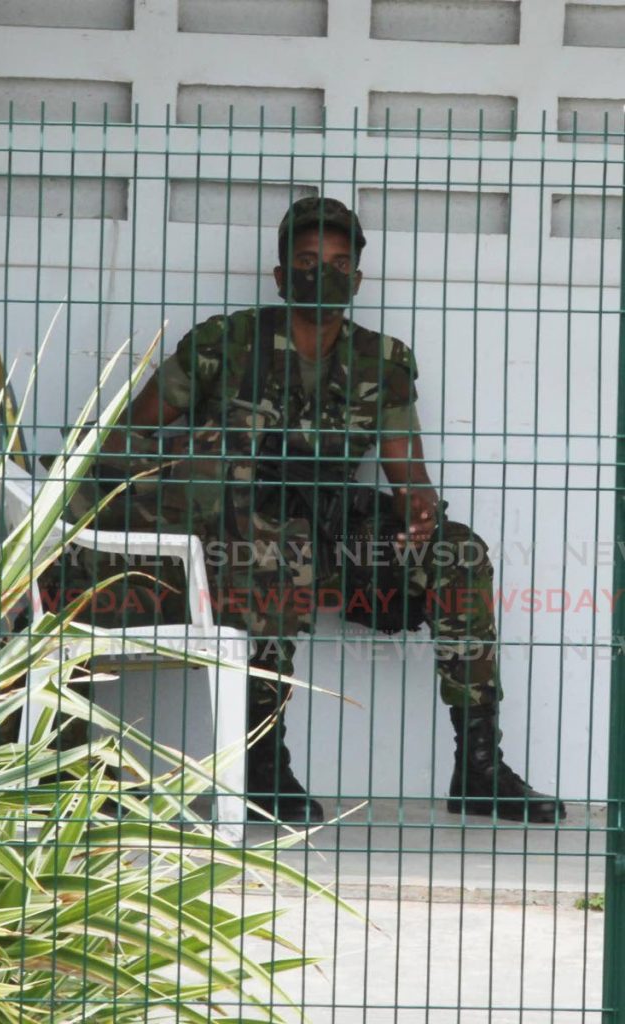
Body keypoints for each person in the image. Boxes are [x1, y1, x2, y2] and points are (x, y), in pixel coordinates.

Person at [76, 196, 565, 827]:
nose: (322, 274)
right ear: (282, 275)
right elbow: (125, 440)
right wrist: (211, 467)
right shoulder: (224, 343)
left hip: (332, 530)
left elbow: (407, 470)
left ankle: (478, 767)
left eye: (337, 263)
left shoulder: (382, 360)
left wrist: (418, 506)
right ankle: (261, 764)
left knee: (459, 552)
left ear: (356, 280)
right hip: (228, 541)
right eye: (307, 261)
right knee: (274, 542)